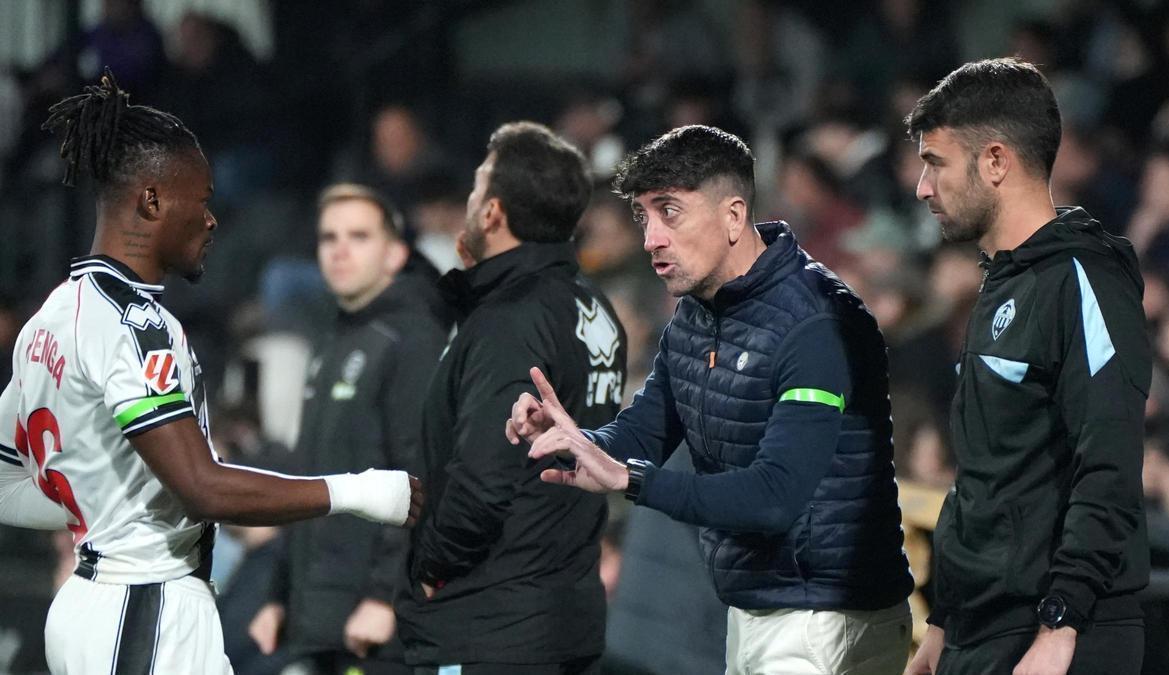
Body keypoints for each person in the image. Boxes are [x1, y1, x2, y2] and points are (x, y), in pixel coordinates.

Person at [0, 70, 422, 675]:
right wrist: (360, 491)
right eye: (201, 200)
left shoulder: (49, 317)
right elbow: (202, 486)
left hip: (87, 605)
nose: (212, 219)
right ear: (151, 200)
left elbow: (4, 482)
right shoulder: (137, 325)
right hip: (145, 607)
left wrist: (98, 509)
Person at [509, 124, 914, 675]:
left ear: (733, 215)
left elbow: (776, 496)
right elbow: (643, 434)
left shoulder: (818, 323)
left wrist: (630, 480)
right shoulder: (696, 319)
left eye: (669, 212)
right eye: (643, 216)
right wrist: (569, 439)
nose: (651, 237)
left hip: (829, 615)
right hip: (753, 609)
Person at [901, 58, 1151, 675]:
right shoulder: (1004, 285)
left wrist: (1062, 625)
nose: (921, 187)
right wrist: (943, 621)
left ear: (994, 161)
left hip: (1056, 633)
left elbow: (1109, 462)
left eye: (935, 162)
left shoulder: (1082, 280)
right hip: (980, 628)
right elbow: (991, 471)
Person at [397, 121, 628, 675]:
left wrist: (430, 570)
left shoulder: (511, 319)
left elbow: (484, 473)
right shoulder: (593, 309)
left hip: (492, 626)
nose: (469, 203)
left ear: (494, 212)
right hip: (560, 614)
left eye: (477, 190)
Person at [247, 184, 451, 674]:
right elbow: (309, 475)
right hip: (323, 613)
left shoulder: (413, 339)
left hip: (377, 626)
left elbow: (421, 476)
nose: (339, 249)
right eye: (328, 237)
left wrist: (387, 597)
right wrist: (280, 595)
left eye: (359, 236)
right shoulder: (334, 339)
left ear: (395, 253)